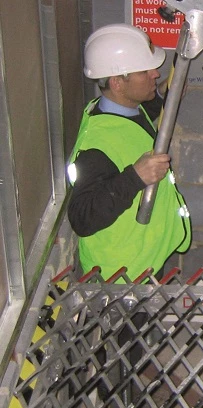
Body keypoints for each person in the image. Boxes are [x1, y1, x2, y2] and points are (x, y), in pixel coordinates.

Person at [67, 23, 192, 281]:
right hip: (120, 277)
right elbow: (82, 217)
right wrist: (135, 176)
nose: (155, 74)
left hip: (142, 258)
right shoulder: (98, 147)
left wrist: (166, 97)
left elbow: (137, 124)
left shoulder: (119, 108)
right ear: (117, 83)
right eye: (145, 72)